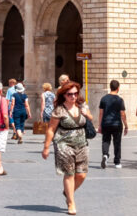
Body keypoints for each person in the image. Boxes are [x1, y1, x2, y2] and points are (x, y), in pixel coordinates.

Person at [42, 81, 92, 216]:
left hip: (81, 143)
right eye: (70, 94)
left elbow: (91, 118)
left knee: (81, 174)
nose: (73, 97)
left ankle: (68, 192)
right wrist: (46, 147)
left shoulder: (82, 105)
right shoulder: (59, 110)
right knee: (69, 173)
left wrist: (86, 113)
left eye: (76, 93)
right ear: (64, 95)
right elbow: (51, 129)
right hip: (63, 143)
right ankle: (71, 202)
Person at [98, 79, 127, 169]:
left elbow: (101, 113)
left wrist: (99, 125)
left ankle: (105, 155)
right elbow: (122, 114)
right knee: (117, 142)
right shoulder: (119, 100)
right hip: (117, 124)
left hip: (106, 123)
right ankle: (117, 162)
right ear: (118, 88)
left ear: (110, 87)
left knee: (106, 141)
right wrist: (126, 125)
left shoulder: (103, 99)